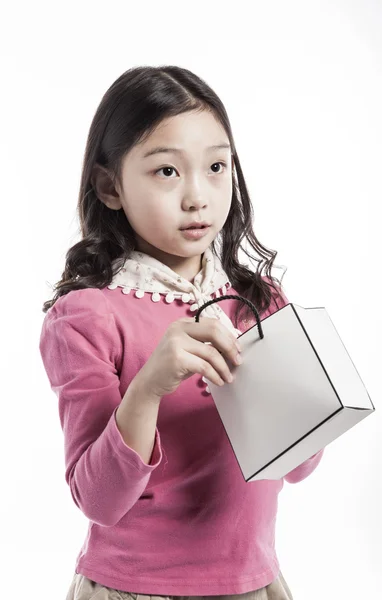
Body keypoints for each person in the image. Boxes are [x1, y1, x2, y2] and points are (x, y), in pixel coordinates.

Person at [39, 65, 324, 600]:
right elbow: (98, 500)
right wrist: (148, 387)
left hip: (253, 584)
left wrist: (304, 386)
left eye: (217, 166)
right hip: (134, 590)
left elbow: (300, 468)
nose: (198, 196)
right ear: (109, 186)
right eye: (167, 172)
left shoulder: (258, 302)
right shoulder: (87, 316)